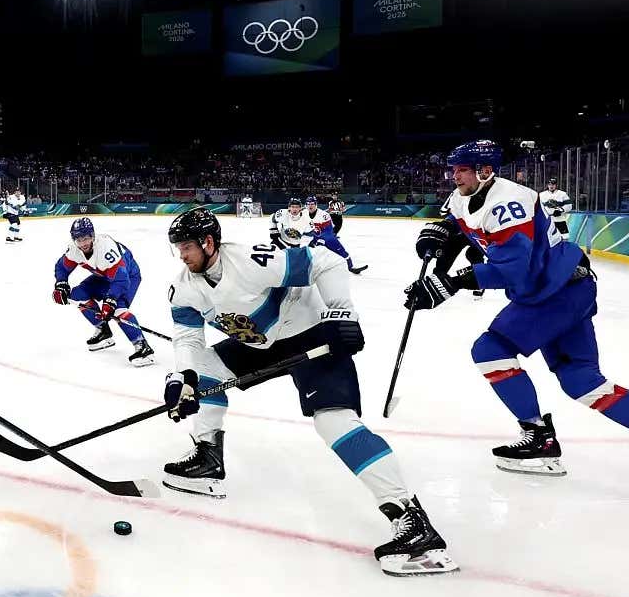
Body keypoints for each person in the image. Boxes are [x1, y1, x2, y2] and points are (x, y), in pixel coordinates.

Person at [405, 139, 629, 508]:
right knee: (581, 381)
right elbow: (461, 225)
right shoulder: (464, 196)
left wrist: (450, 283)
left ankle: (538, 437)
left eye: (462, 169)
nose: (454, 176)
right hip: (565, 288)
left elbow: (513, 270)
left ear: (485, 171)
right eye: (453, 169)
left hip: (555, 293)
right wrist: (440, 242)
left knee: (490, 350)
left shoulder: (509, 202)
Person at [161, 206, 456, 576]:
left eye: (186, 247)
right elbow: (188, 338)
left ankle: (411, 519)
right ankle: (208, 457)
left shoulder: (251, 261)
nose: (182, 255)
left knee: (334, 422)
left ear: (208, 242)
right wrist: (183, 378)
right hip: (261, 344)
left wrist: (341, 312)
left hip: (310, 334)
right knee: (204, 369)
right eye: (178, 248)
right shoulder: (184, 289)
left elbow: (326, 261)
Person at [52, 217, 155, 366]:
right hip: (104, 276)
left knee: (117, 308)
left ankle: (142, 346)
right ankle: (103, 330)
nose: (83, 243)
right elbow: (62, 267)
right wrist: (61, 284)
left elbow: (121, 280)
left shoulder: (106, 248)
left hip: (127, 276)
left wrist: (110, 300)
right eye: (78, 240)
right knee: (78, 294)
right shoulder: (74, 249)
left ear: (92, 236)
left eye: (86, 238)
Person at [303, 194, 367, 274]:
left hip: (328, 238)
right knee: (308, 252)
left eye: (312, 204)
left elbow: (329, 231)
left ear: (316, 204)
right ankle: (306, 267)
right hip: (316, 237)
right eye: (308, 204)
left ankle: (351, 267)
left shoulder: (323, 215)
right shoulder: (304, 213)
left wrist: (321, 239)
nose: (310, 206)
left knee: (342, 252)